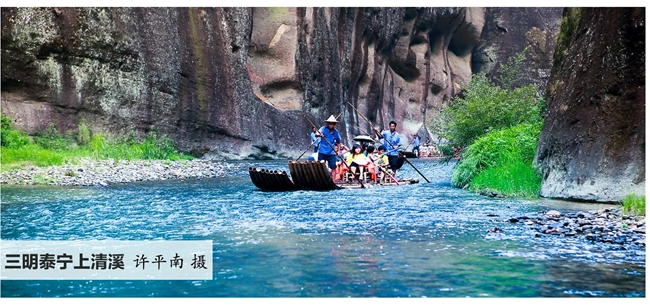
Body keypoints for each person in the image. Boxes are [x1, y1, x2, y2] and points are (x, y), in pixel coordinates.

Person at [316, 115, 342, 181]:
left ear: (334, 124)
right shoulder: (323, 129)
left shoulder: (336, 132)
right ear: (328, 123)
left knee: (333, 166)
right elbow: (316, 134)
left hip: (331, 152)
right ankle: (321, 179)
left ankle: (333, 180)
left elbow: (339, 142)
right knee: (320, 166)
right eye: (330, 123)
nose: (331, 125)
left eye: (332, 123)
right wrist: (320, 135)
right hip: (322, 150)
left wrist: (338, 151)